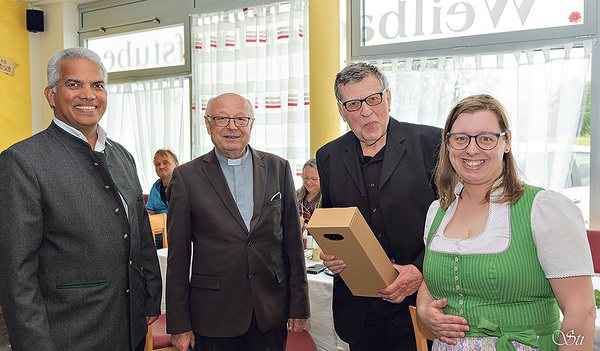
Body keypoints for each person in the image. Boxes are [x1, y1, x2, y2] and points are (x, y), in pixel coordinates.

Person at [0, 47, 162, 351]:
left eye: (97, 85)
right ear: (51, 95)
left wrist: (151, 298)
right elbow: (16, 272)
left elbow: (140, 236)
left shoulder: (122, 155)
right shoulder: (22, 161)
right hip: (67, 335)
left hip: (130, 328)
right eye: (74, 84)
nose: (88, 94)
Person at [417, 94, 596, 350]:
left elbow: (582, 312)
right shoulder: (438, 211)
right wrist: (424, 307)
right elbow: (430, 277)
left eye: (486, 139)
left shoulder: (544, 208)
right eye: (460, 139)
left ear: (507, 142)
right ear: (448, 144)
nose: (471, 149)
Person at [166, 92, 310, 351]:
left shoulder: (279, 168)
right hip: (213, 316)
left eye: (240, 119)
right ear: (208, 124)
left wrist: (299, 305)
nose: (232, 126)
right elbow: (178, 258)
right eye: (222, 118)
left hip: (270, 312)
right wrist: (179, 325)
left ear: (251, 124)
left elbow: (292, 244)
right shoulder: (185, 177)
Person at [316, 62, 442, 351]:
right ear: (341, 110)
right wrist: (332, 253)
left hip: (420, 301)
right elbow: (334, 221)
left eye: (373, 99)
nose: (366, 111)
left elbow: (453, 220)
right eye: (354, 103)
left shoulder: (431, 142)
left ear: (388, 98)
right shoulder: (328, 156)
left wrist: (420, 270)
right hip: (359, 309)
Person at [147, 149, 179, 215]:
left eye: (165, 163)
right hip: (161, 224)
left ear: (176, 165)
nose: (161, 167)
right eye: (157, 164)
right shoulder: (155, 188)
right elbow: (149, 212)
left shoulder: (186, 185)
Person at [296, 158, 321, 232]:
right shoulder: (295, 196)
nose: (308, 182)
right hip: (300, 242)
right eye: (305, 178)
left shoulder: (328, 200)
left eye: (313, 179)